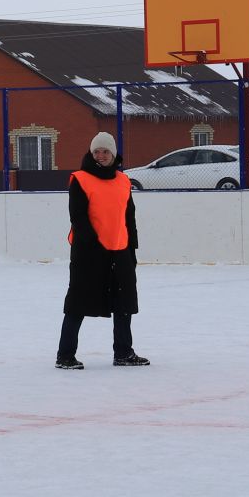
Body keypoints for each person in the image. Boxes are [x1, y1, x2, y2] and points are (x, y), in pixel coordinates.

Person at [58, 131, 148, 369]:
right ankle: (65, 355)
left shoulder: (123, 181)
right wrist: (92, 245)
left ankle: (123, 353)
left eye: (105, 151)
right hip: (89, 252)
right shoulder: (80, 179)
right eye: (96, 151)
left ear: (114, 153)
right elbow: (78, 216)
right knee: (78, 303)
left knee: (124, 303)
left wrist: (132, 249)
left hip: (120, 249)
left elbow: (129, 217)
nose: (101, 156)